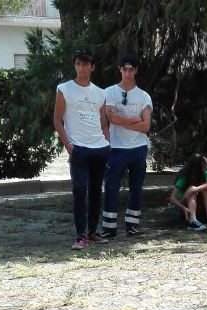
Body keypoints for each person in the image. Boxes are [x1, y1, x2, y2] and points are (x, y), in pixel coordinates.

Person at [53, 49, 110, 250]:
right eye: (78, 64)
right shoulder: (64, 89)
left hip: (99, 148)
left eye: (86, 64)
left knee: (96, 190)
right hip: (78, 148)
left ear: (92, 67)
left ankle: (93, 231)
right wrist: (68, 145)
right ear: (74, 65)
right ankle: (80, 235)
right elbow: (57, 120)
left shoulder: (100, 93)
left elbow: (104, 123)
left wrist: (108, 144)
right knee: (79, 189)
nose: (81, 68)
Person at [100, 54, 152, 239]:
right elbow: (111, 118)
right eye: (124, 69)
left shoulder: (144, 96)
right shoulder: (109, 92)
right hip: (116, 147)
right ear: (120, 69)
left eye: (131, 69)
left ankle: (132, 225)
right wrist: (135, 120)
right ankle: (109, 226)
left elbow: (146, 126)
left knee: (135, 187)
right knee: (111, 185)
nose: (128, 73)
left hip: (138, 147)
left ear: (136, 70)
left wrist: (124, 122)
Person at [169, 153, 207, 231]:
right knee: (192, 189)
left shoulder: (205, 172)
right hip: (181, 206)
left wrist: (194, 189)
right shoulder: (184, 176)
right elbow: (172, 198)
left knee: (203, 189)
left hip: (194, 205)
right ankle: (193, 221)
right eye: (206, 165)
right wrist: (184, 208)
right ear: (198, 167)